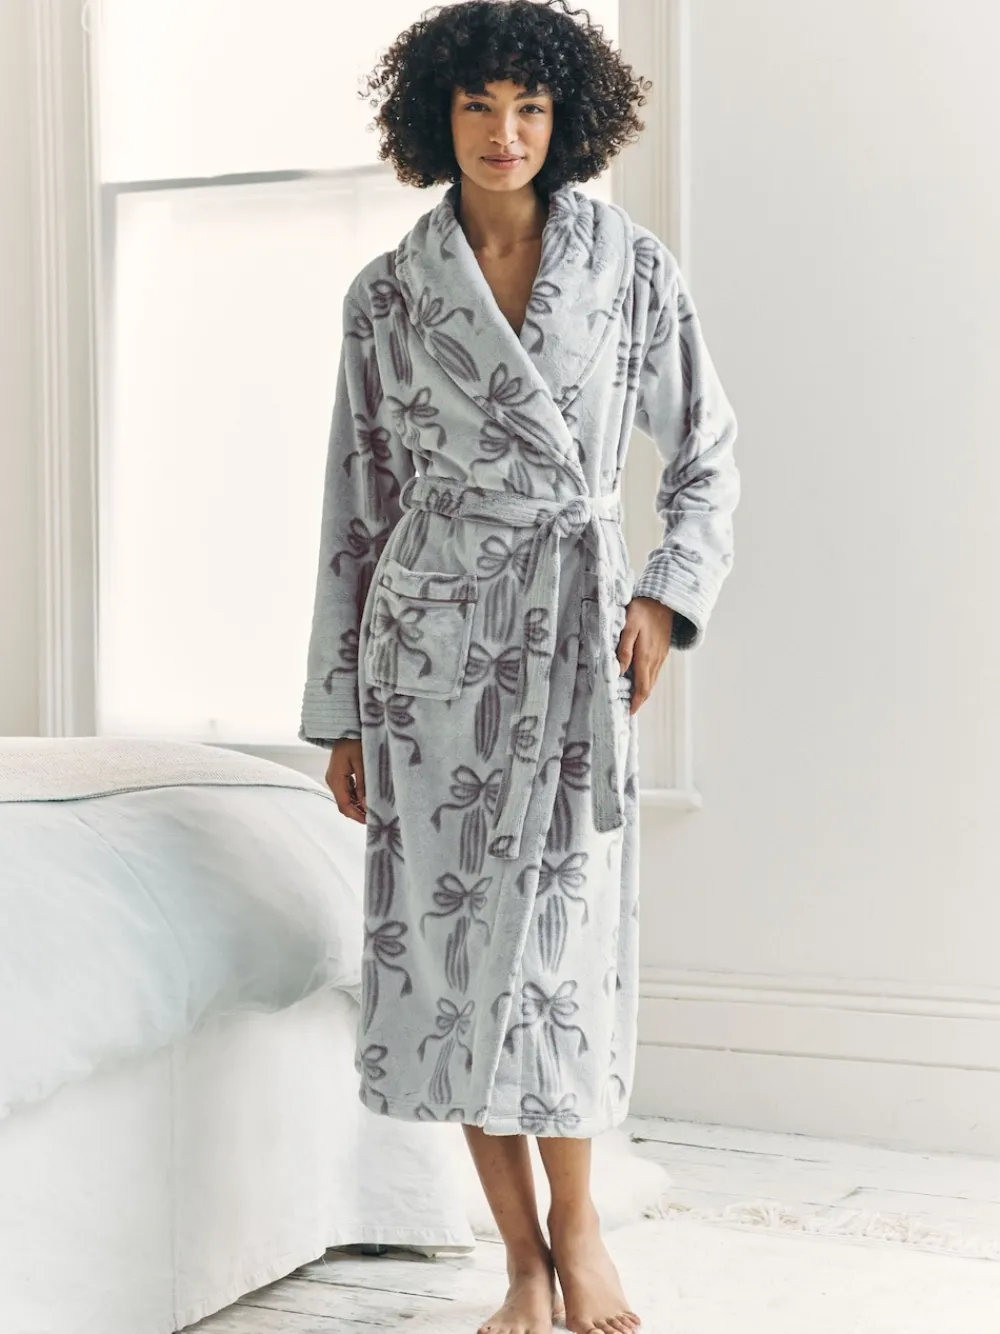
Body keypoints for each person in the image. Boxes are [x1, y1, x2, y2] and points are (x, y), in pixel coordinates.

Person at [299, 3, 739, 1331]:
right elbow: (357, 507)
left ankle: (582, 1230)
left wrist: (662, 597)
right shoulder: (387, 296)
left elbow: (707, 449)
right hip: (428, 656)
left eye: (531, 108)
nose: (506, 132)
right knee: (455, 965)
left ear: (566, 119)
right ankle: (521, 1263)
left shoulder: (631, 268)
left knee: (559, 952)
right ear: (435, 115)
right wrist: (343, 713)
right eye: (480, 105)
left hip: (573, 642)